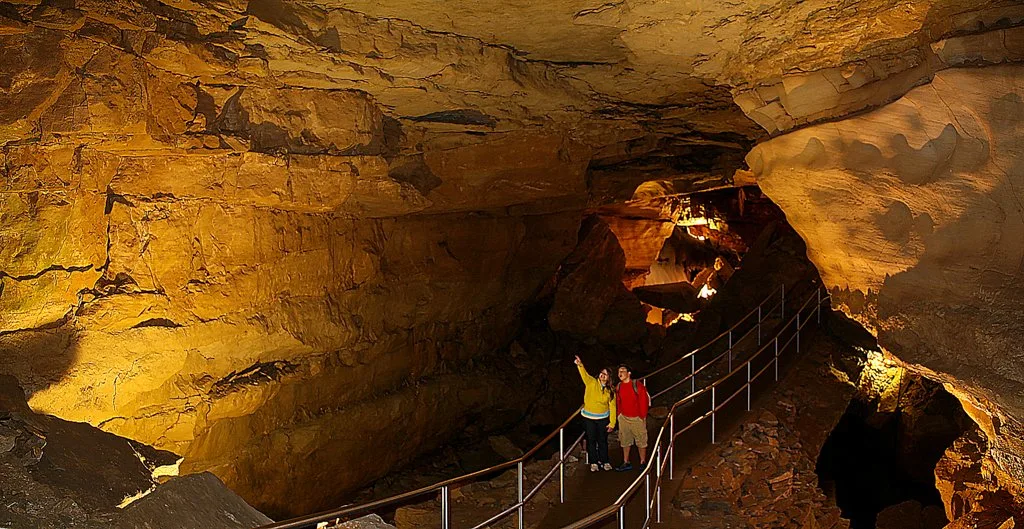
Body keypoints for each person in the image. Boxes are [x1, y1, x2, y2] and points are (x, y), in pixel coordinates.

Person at [574, 355, 616, 472]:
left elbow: (613, 407)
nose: (602, 375)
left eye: (605, 374)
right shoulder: (591, 383)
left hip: (603, 419)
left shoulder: (611, 391)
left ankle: (605, 461)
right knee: (591, 440)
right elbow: (584, 375)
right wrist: (580, 365)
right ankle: (593, 462)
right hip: (589, 418)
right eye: (601, 373)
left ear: (608, 378)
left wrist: (612, 423)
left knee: (602, 440)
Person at [614, 364, 649, 472]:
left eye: (623, 371)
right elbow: (618, 401)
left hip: (636, 418)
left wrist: (642, 415)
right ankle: (626, 461)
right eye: (619, 371)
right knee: (625, 440)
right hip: (624, 417)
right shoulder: (619, 386)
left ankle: (643, 461)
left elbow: (644, 400)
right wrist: (619, 415)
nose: (620, 373)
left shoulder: (637, 385)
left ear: (629, 373)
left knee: (641, 439)